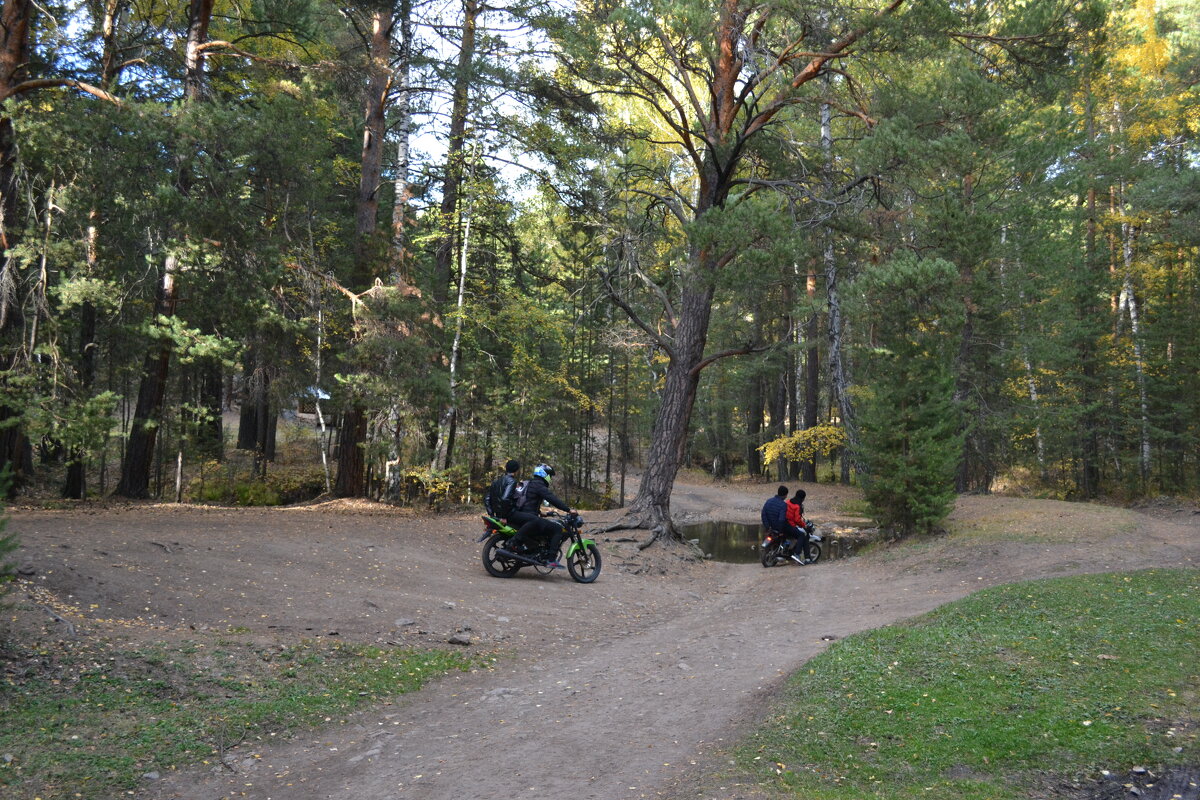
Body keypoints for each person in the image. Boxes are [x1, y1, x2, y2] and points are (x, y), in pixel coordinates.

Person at [506, 464, 573, 566]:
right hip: (529, 518)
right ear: (545, 475)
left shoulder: (529, 483)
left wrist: (541, 513)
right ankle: (551, 559)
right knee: (557, 529)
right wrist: (568, 510)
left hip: (521, 515)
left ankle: (537, 551)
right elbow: (552, 499)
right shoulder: (539, 485)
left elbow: (529, 502)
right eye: (550, 476)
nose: (550, 478)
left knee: (545, 526)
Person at [761, 485, 806, 565]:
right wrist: (780, 531)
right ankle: (797, 554)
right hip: (781, 527)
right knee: (801, 535)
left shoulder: (768, 501)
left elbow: (763, 515)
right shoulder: (783, 505)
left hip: (770, 527)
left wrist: (767, 527)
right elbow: (782, 519)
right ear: (785, 495)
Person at [786, 488, 814, 563]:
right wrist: (804, 525)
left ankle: (805, 557)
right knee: (803, 535)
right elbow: (797, 520)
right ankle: (797, 554)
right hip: (791, 525)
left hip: (784, 524)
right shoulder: (797, 506)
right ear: (803, 498)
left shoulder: (788, 502)